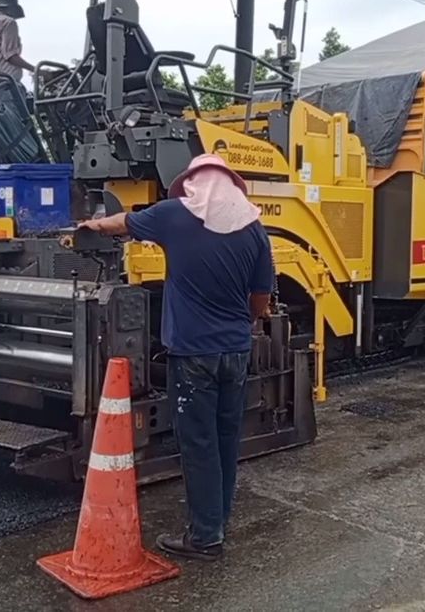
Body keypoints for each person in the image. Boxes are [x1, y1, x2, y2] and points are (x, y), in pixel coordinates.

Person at [79, 154, 274, 561]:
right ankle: (216, 522)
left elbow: (124, 223)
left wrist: (92, 225)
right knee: (224, 440)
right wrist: (243, 321)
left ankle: (205, 537)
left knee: (199, 444)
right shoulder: (254, 230)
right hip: (235, 352)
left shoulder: (173, 216)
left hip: (193, 354)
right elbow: (261, 299)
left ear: (193, 183)